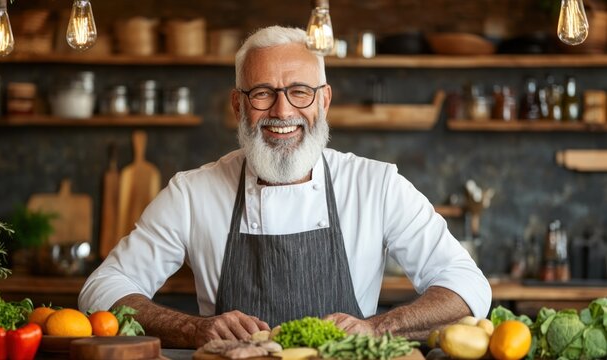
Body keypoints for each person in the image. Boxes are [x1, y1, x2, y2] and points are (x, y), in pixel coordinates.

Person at [79, 25, 491, 349]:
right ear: (238, 105)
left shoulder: (376, 186)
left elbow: (468, 286)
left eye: (299, 92)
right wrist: (193, 329)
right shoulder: (192, 193)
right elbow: (101, 290)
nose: (282, 111)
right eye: (262, 93)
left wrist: (379, 327)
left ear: (324, 101)